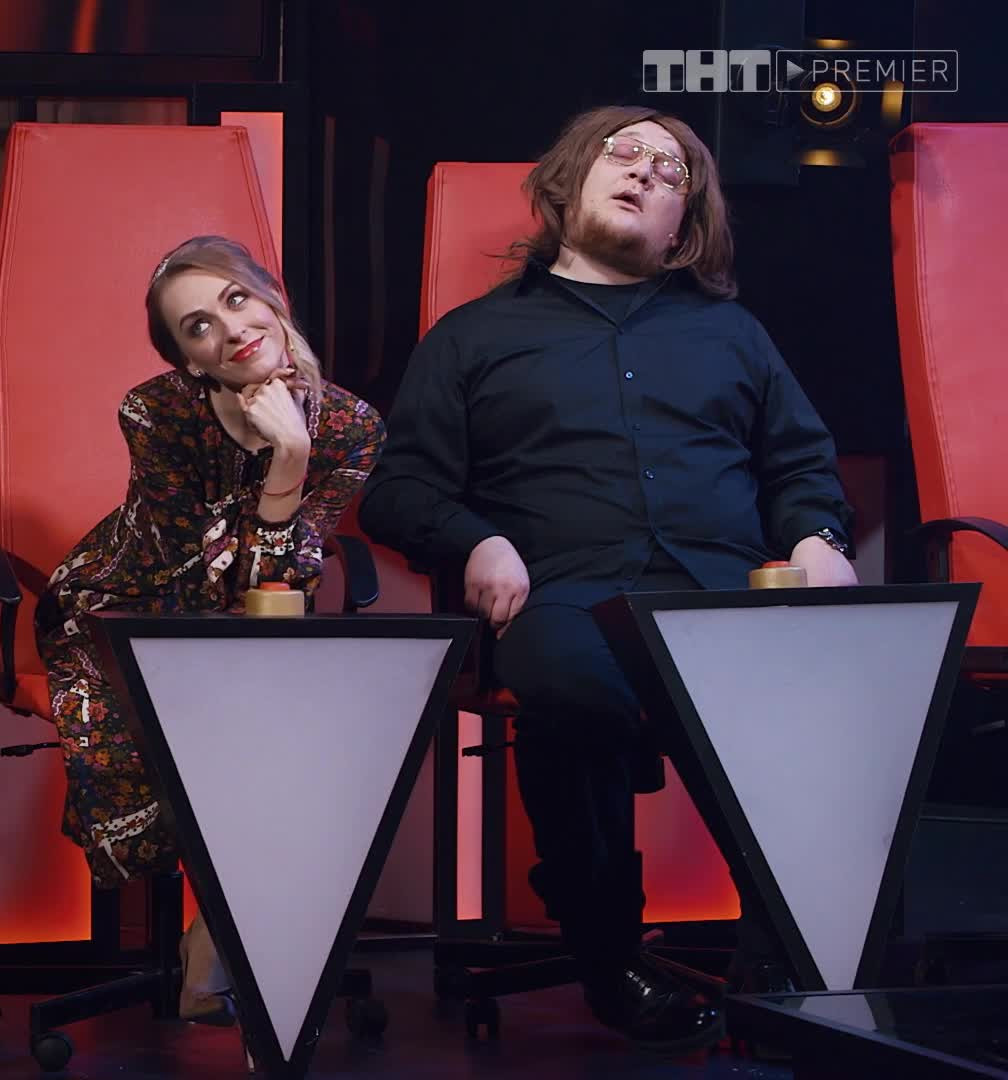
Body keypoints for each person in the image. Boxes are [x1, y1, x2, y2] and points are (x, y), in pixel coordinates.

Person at [358, 105, 856, 1052]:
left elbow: (800, 466)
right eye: (622, 153)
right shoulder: (472, 337)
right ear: (568, 182)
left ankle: (785, 960)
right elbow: (398, 490)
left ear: (683, 228)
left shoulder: (732, 333)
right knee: (576, 692)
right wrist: (474, 541)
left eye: (672, 173)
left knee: (803, 701)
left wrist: (819, 537)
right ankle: (608, 956)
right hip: (564, 595)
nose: (644, 172)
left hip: (721, 596)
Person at [37, 235, 386, 1021]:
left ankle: (214, 934)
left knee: (319, 734)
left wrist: (294, 453)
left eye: (236, 300)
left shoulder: (350, 427)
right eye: (198, 327)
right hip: (119, 612)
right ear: (190, 362)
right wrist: (285, 473)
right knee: (230, 726)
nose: (230, 330)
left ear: (272, 299)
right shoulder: (156, 412)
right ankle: (225, 945)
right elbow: (189, 572)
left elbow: (275, 590)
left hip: (249, 630)